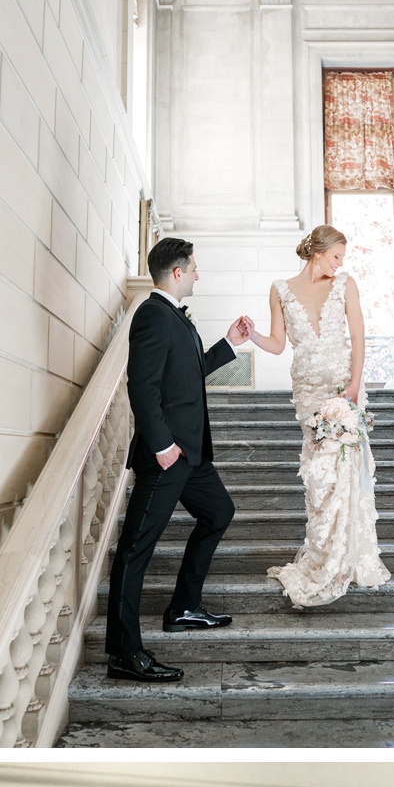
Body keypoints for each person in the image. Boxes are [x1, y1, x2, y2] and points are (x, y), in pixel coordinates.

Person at [103, 236, 251, 684]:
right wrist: (161, 445)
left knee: (219, 512)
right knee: (134, 549)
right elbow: (141, 385)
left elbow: (189, 372)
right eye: (194, 268)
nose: (198, 275)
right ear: (178, 272)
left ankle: (184, 607)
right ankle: (124, 654)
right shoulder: (152, 314)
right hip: (167, 456)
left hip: (192, 456)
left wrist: (229, 343)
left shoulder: (176, 317)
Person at [235, 225, 391, 609]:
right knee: (321, 475)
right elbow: (277, 344)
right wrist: (252, 335)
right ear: (317, 253)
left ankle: (346, 556)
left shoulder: (345, 285)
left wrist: (354, 385)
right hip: (308, 391)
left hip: (343, 386)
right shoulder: (280, 289)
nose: (340, 264)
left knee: (346, 468)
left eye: (342, 258)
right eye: (336, 256)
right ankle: (323, 553)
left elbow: (358, 337)